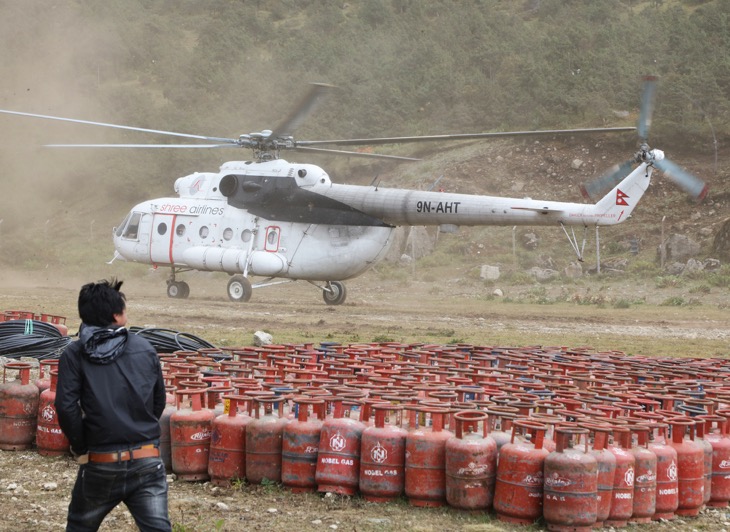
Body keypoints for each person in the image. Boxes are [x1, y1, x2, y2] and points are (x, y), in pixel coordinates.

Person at [55, 278, 171, 532]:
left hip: (101, 461)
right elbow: (158, 401)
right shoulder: (145, 348)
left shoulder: (74, 354)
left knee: (79, 526)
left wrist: (81, 446)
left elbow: (66, 406)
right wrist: (140, 430)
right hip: (147, 460)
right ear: (117, 316)